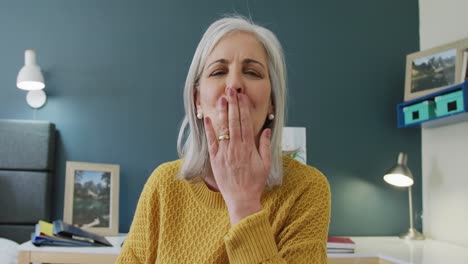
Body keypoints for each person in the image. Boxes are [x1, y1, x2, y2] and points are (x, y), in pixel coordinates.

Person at [117, 15, 331, 264]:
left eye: (252, 72)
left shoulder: (306, 189)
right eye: (218, 71)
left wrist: (244, 203)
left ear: (272, 101)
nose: (234, 85)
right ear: (197, 99)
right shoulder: (164, 186)